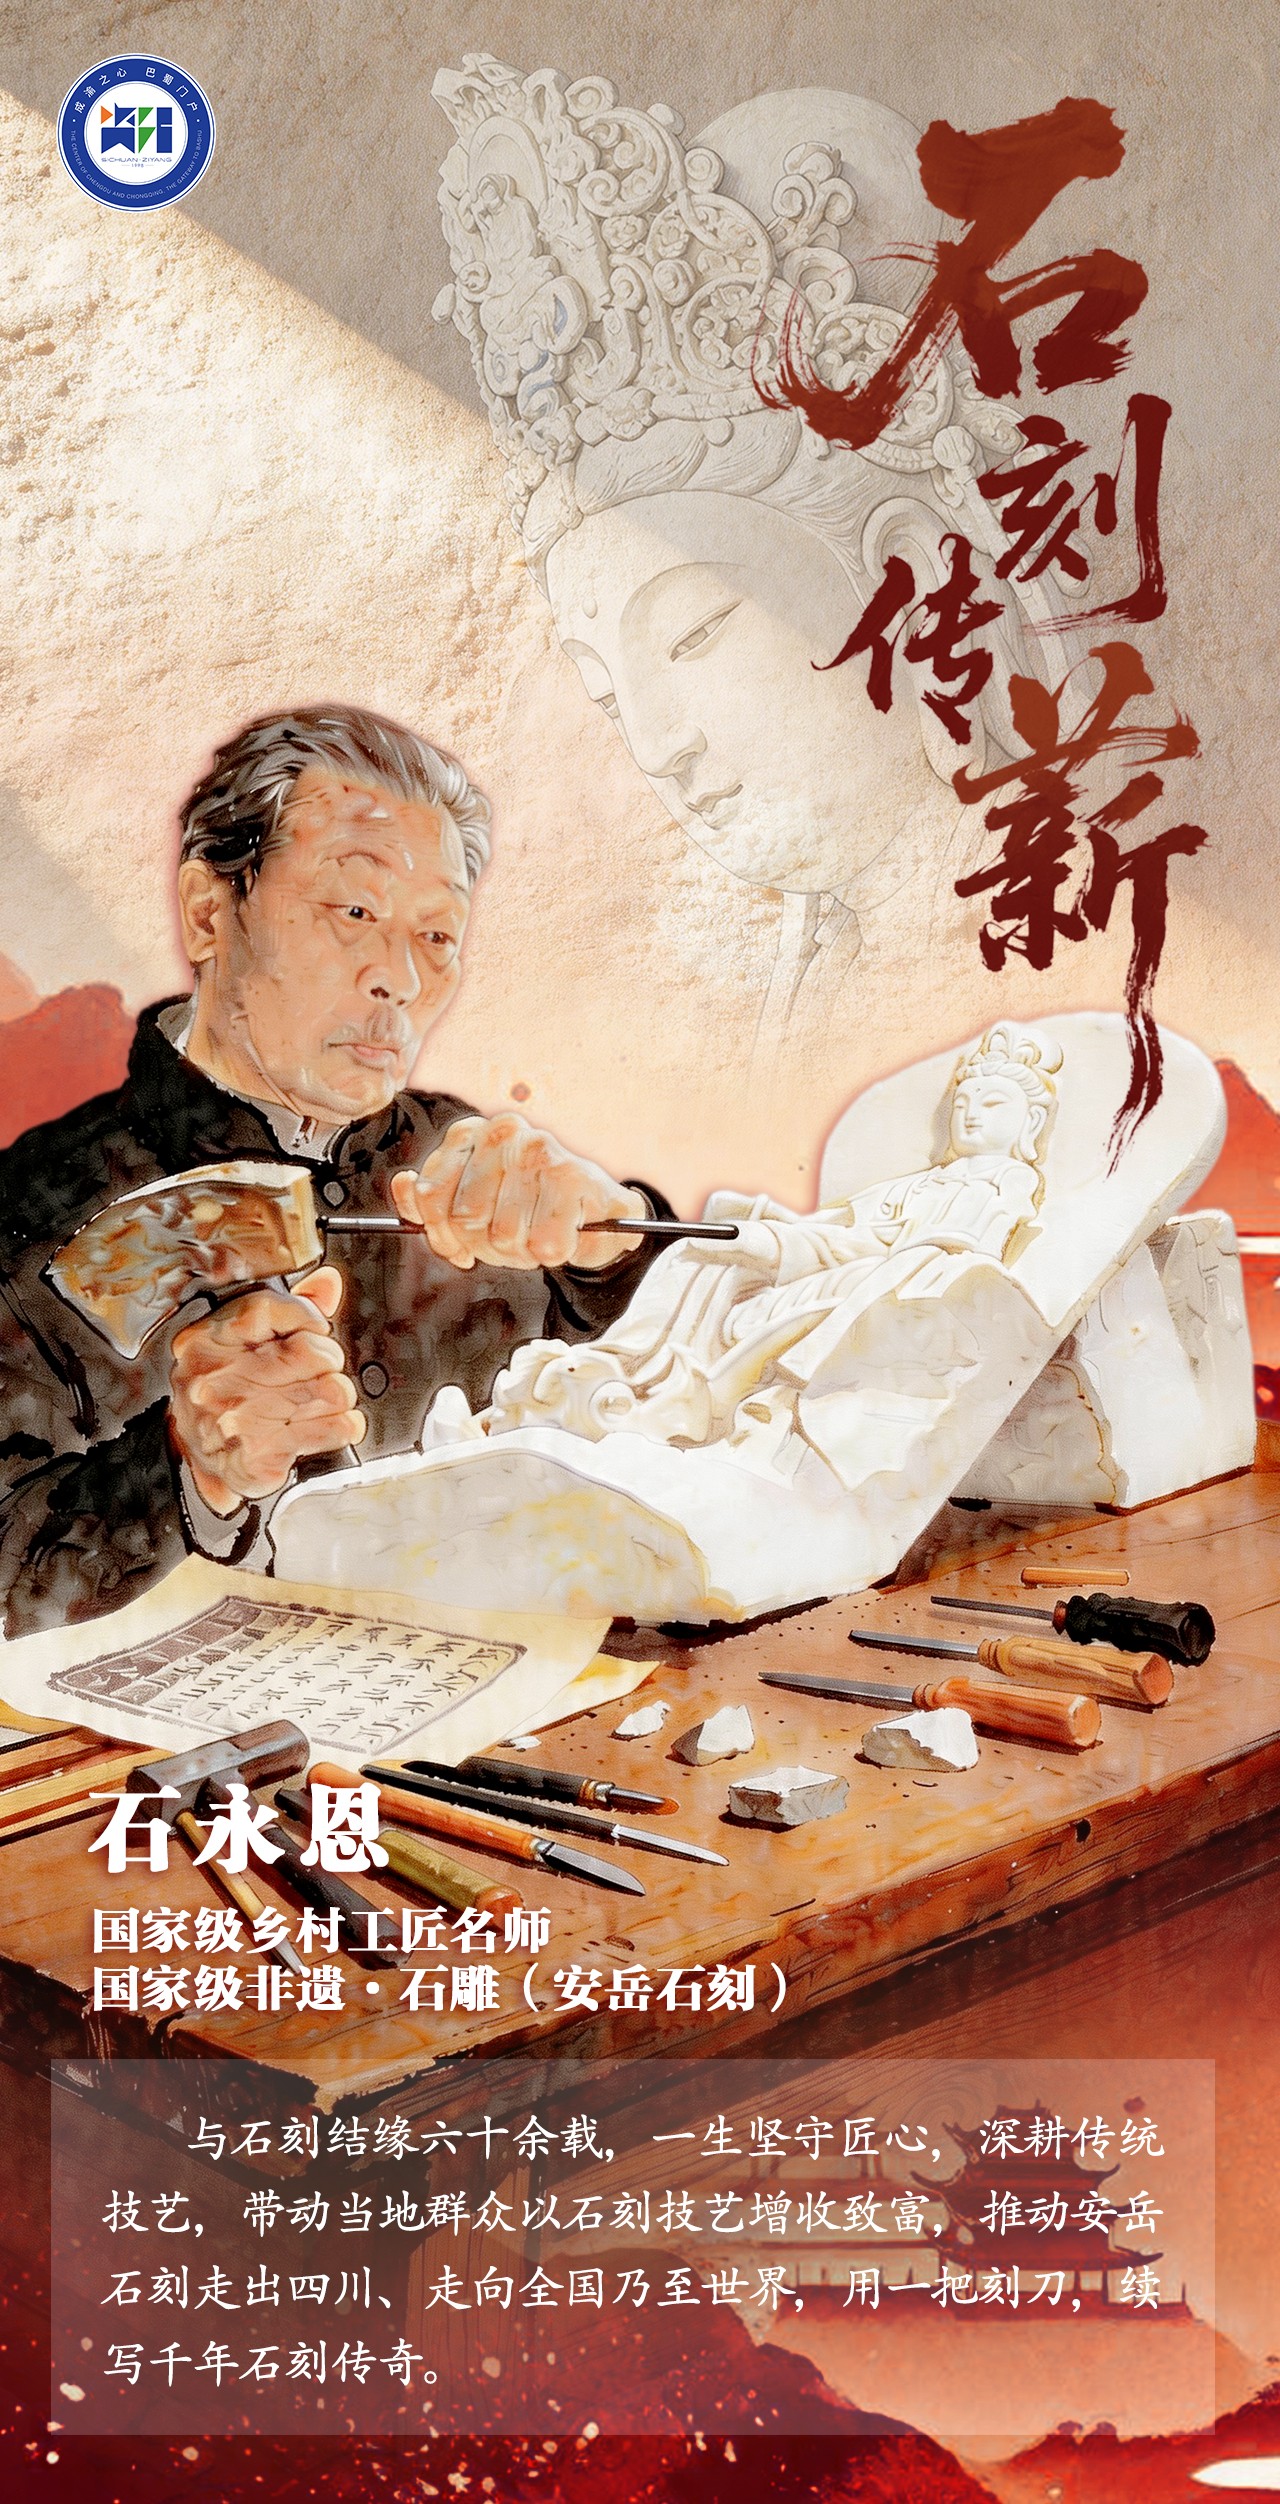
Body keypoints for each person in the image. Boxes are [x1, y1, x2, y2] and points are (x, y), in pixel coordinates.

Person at [0, 704, 673, 1636]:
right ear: (208, 911)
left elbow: (687, 1404)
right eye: (354, 912)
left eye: (436, 936)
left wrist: (616, 1244)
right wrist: (187, 1467)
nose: (401, 978)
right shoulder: (33, 1211)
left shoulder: (471, 1162)